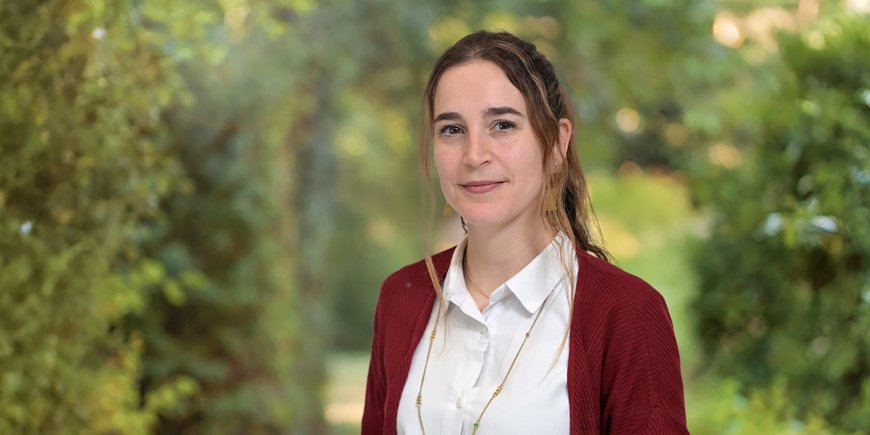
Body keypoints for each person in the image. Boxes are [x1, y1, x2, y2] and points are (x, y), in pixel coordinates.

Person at [362, 30, 687, 434]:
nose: (475, 154)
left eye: (502, 124)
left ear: (556, 145)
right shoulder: (400, 296)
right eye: (451, 129)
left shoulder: (627, 313)